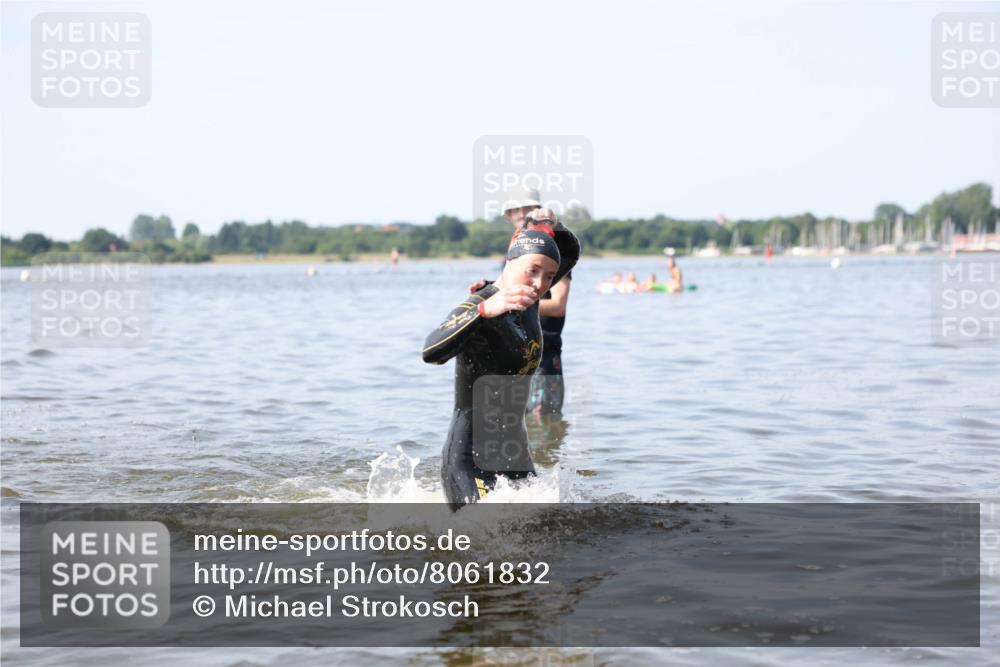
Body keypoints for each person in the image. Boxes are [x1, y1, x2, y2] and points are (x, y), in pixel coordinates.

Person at [424, 221, 580, 510]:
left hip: (515, 455)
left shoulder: (529, 299)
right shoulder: (480, 302)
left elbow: (569, 252)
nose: (540, 284)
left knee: (550, 531)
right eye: (532, 270)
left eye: (549, 276)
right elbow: (431, 351)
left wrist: (547, 224)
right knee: (482, 534)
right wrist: (483, 312)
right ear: (510, 261)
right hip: (469, 458)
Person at [469, 188, 575, 418]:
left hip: (545, 357)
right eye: (514, 209)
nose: (521, 213)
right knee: (510, 426)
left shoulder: (553, 253)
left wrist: (512, 302)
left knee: (545, 426)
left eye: (527, 208)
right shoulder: (515, 253)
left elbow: (558, 306)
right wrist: (488, 290)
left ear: (538, 211)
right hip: (513, 357)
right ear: (508, 216)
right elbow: (505, 293)